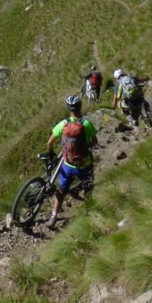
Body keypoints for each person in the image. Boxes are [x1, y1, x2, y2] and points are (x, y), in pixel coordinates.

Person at [46, 94, 98, 229]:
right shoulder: (86, 123)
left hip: (67, 165)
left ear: (69, 109)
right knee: (88, 188)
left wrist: (51, 152)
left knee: (61, 191)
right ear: (80, 108)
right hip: (84, 164)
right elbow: (95, 142)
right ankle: (88, 212)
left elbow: (50, 142)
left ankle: (53, 216)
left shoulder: (63, 124)